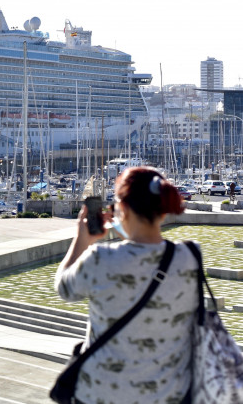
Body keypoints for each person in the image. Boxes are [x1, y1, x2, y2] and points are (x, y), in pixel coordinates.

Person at [54, 167, 197, 403]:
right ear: (162, 211)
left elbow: (63, 287)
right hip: (165, 395)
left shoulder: (99, 258)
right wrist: (126, 227)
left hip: (102, 394)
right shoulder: (190, 257)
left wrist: (82, 238)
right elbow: (146, 255)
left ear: (124, 208)